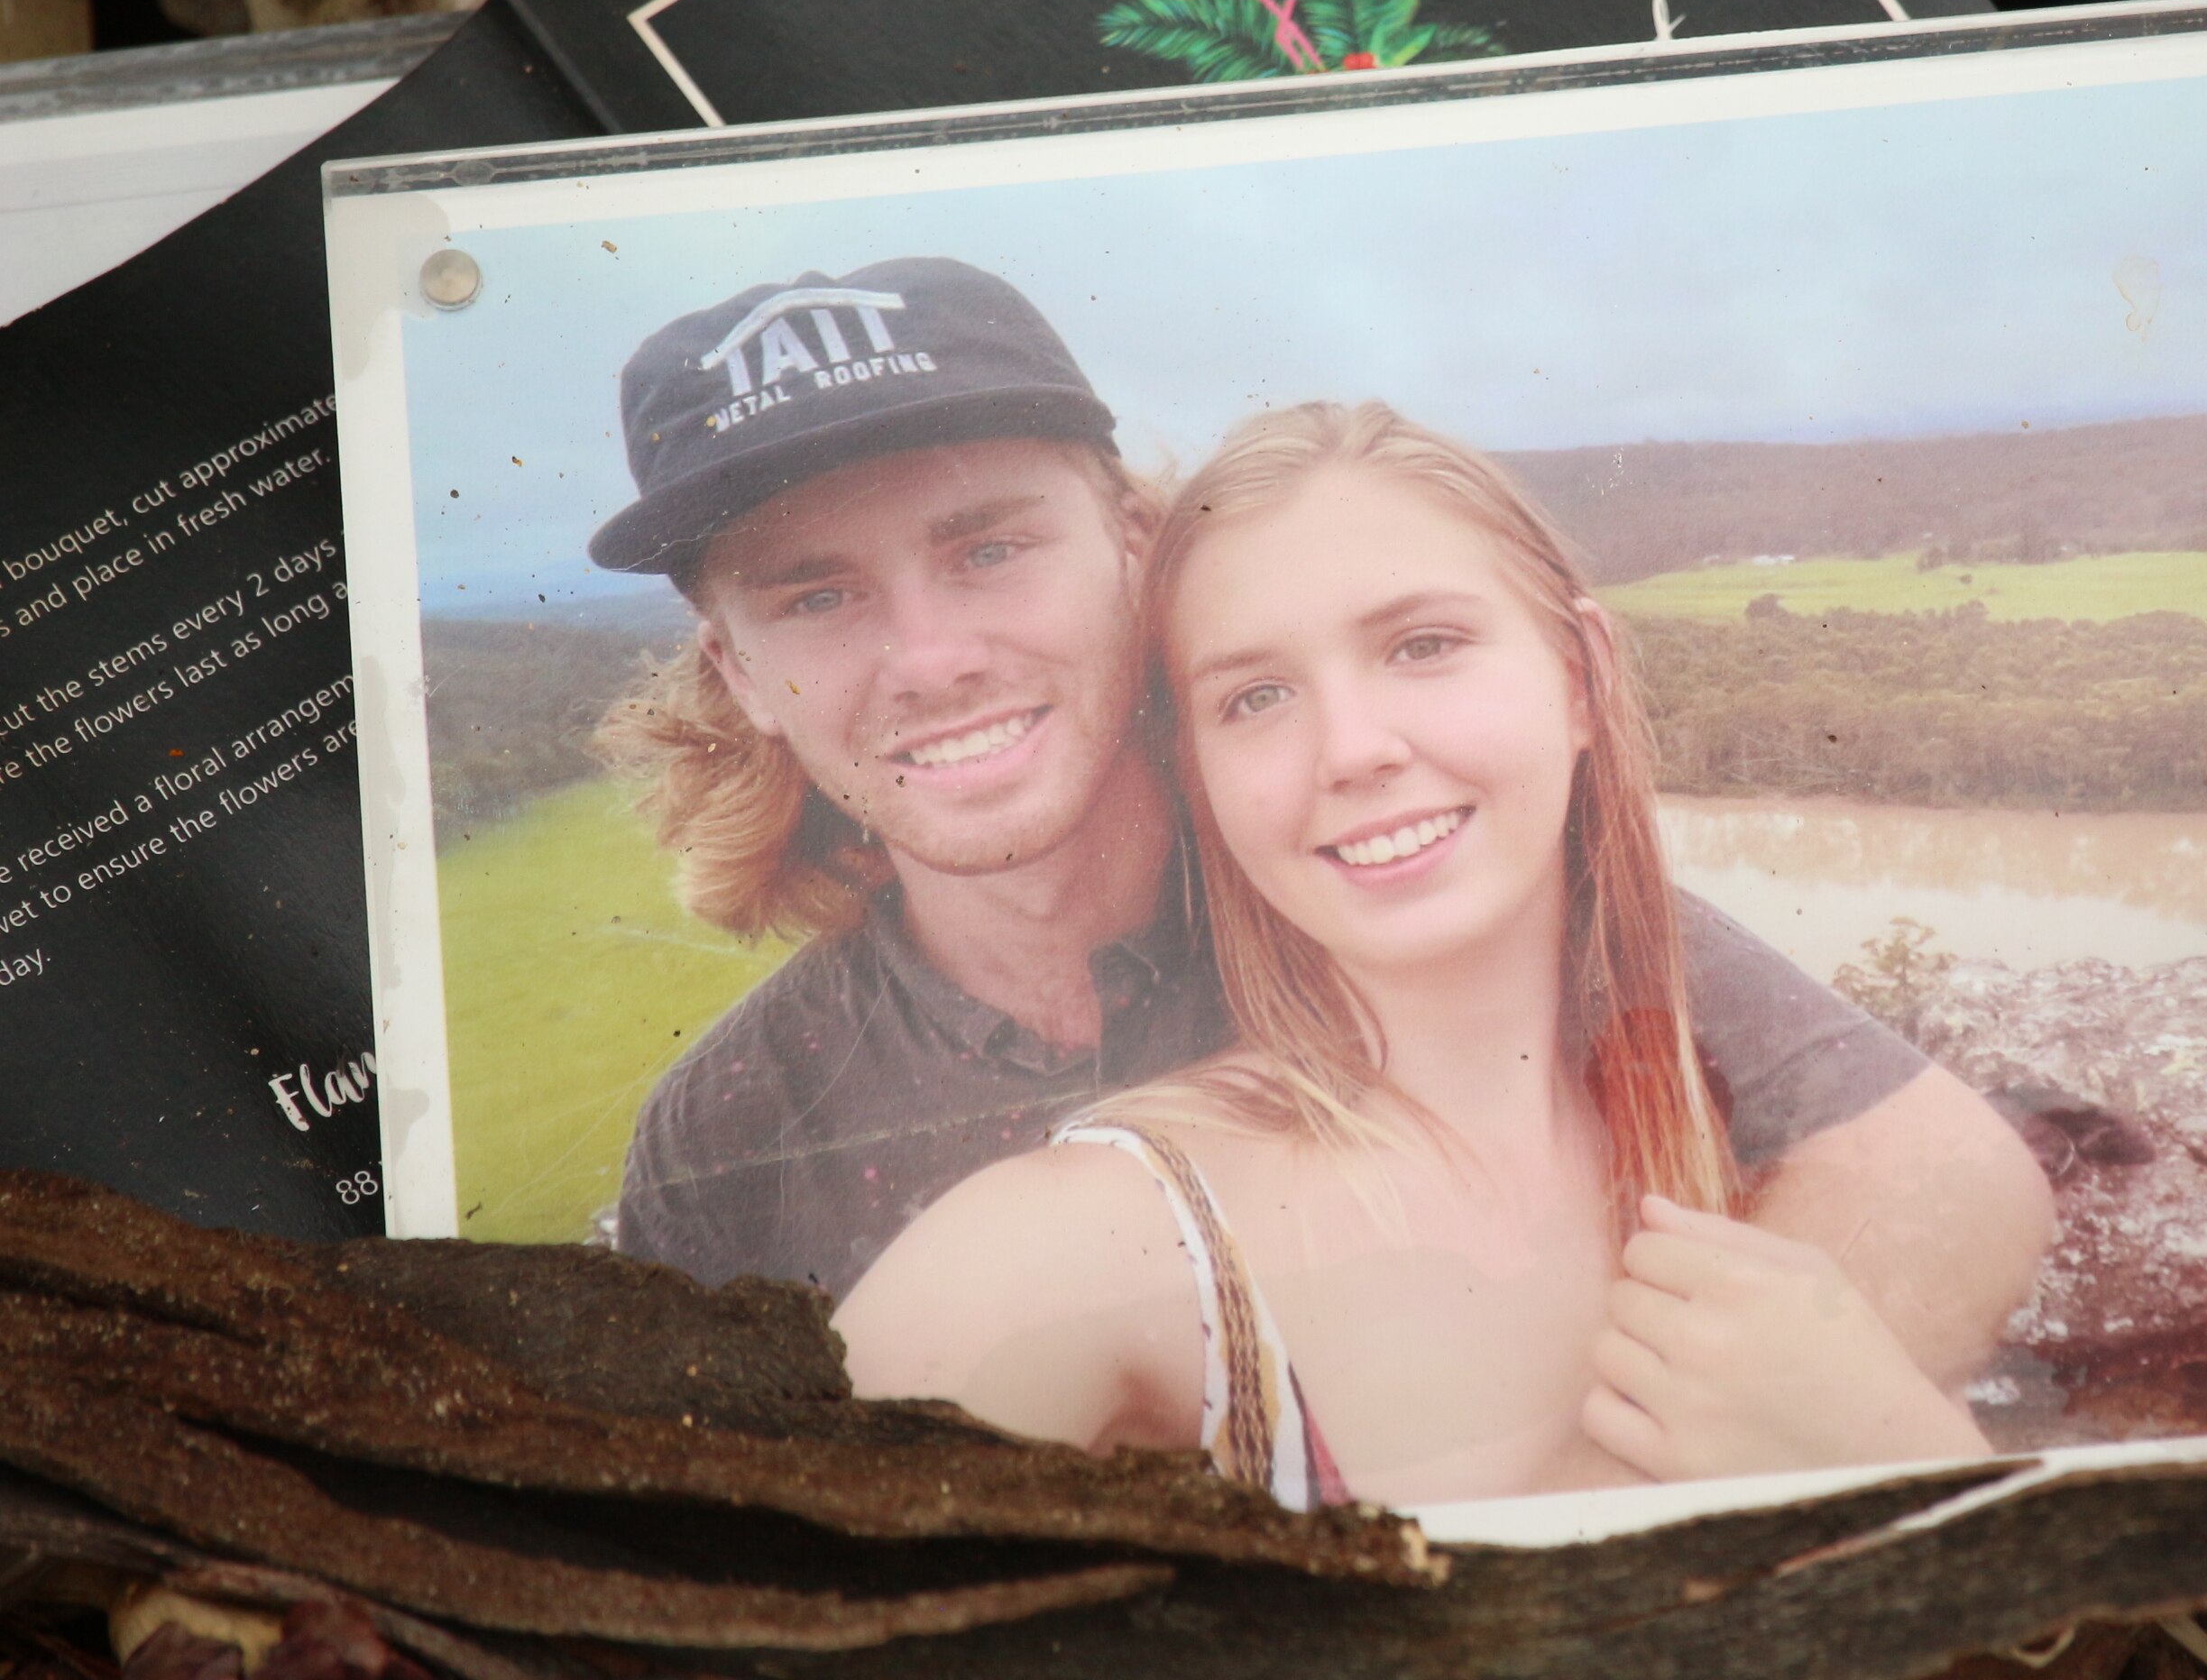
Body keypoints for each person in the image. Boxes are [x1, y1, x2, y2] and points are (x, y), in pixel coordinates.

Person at [588, 260, 2052, 1393]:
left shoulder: (1370, 884)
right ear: (740, 675)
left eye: (989, 548)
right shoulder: (730, 1129)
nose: (930, 656)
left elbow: (1930, 1171)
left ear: (1134, 548)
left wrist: (1653, 1484)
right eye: (815, 596)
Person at [835, 402, 2018, 1503]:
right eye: (1255, 698)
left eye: (1423, 645)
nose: (1351, 749)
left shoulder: (1704, 1132)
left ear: (1581, 679)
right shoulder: (1094, 1240)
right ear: (1198, 774)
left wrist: (1903, 1451)